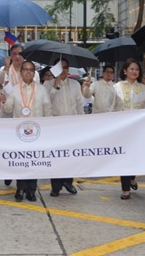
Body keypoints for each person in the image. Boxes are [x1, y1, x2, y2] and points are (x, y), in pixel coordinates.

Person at [0, 61, 52, 202]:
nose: (28, 72)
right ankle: (20, 189)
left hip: (37, 132)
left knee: (34, 162)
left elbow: (48, 109)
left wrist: (50, 127)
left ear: (34, 73)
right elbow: (9, 110)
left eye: (31, 70)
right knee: (21, 162)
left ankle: (31, 191)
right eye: (25, 70)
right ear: (20, 72)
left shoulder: (41, 89)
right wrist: (4, 102)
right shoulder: (14, 90)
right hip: (19, 133)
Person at [43, 58, 84, 197]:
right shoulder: (47, 84)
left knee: (70, 156)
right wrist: (55, 85)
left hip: (72, 125)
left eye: (66, 67)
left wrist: (83, 123)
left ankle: (68, 182)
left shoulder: (75, 84)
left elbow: (80, 105)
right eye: (60, 68)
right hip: (55, 126)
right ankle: (56, 186)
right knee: (56, 158)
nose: (63, 70)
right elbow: (46, 102)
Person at [114, 58, 145, 200]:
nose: (134, 71)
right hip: (123, 128)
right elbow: (112, 106)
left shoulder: (143, 88)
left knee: (136, 156)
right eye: (131, 69)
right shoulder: (116, 87)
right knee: (124, 157)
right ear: (125, 71)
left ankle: (132, 177)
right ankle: (125, 189)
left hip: (139, 128)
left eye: (136, 69)